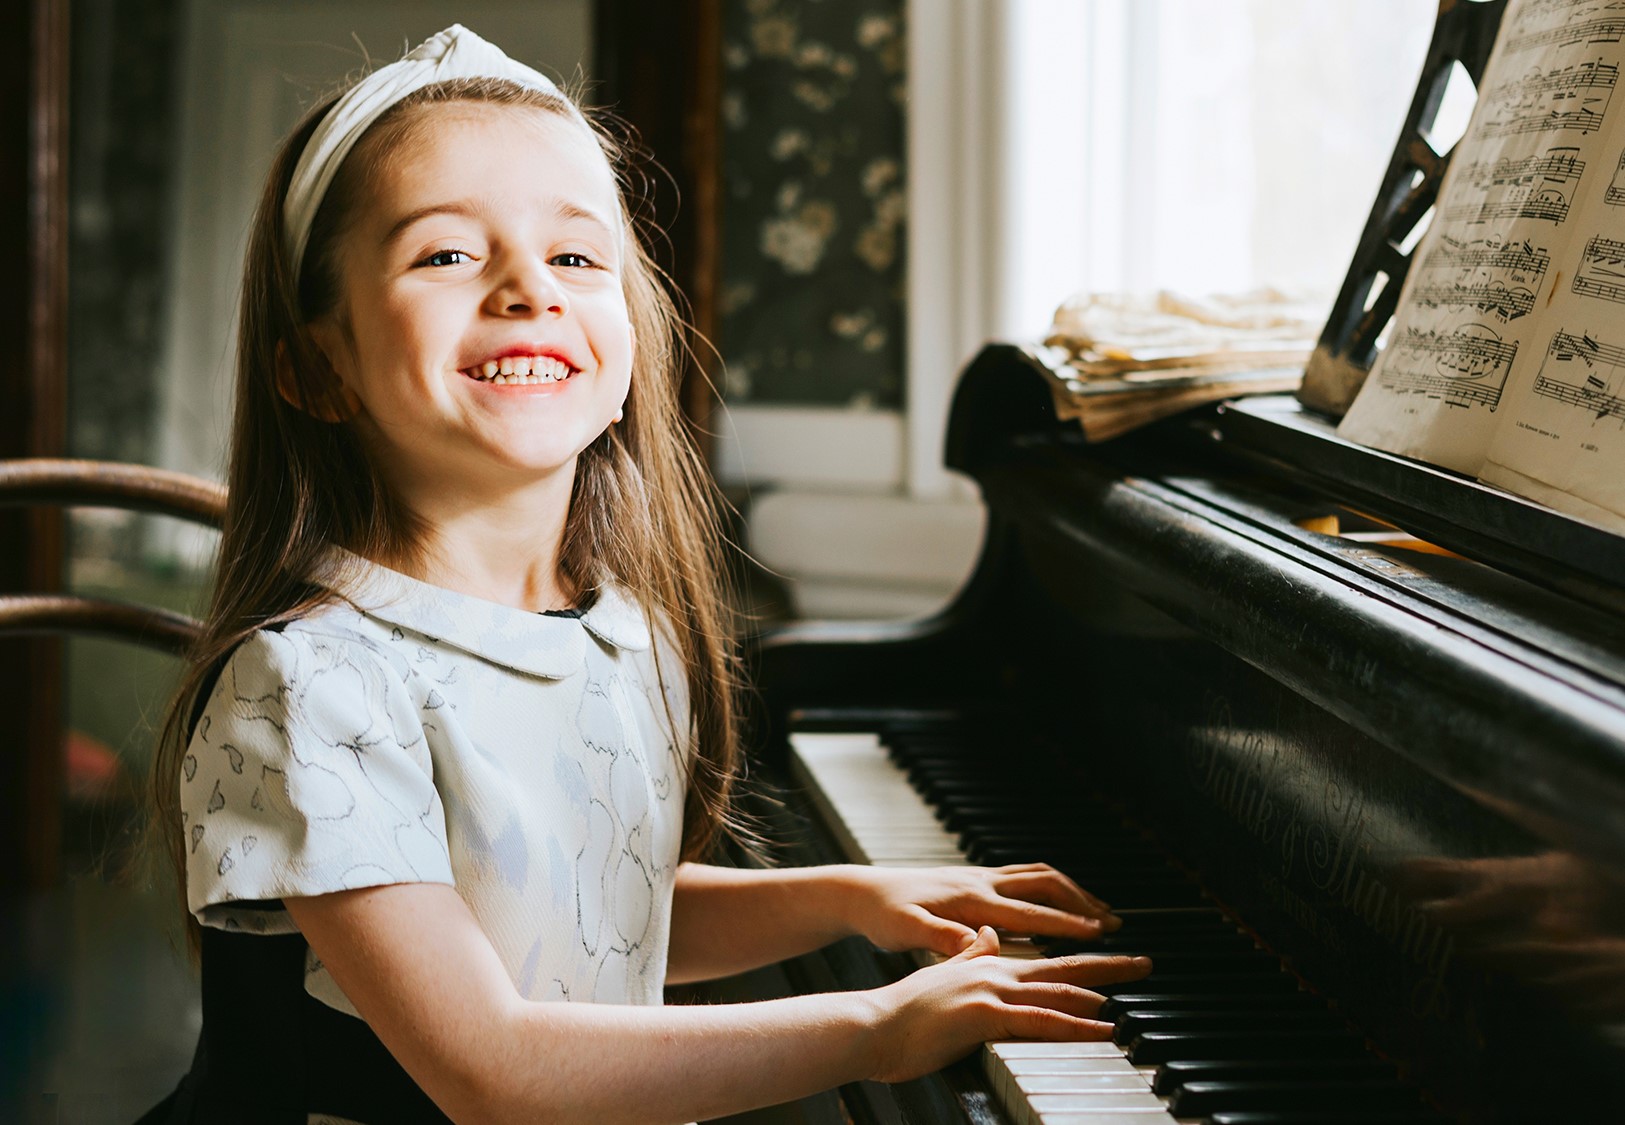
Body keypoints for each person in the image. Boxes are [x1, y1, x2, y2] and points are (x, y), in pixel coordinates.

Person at [142, 25, 1150, 1124]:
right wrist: (879, 1028)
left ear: (627, 356)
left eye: (577, 257)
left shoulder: (617, 629)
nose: (529, 286)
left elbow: (601, 919)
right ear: (316, 368)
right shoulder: (311, 689)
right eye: (444, 254)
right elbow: (492, 1064)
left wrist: (855, 899)